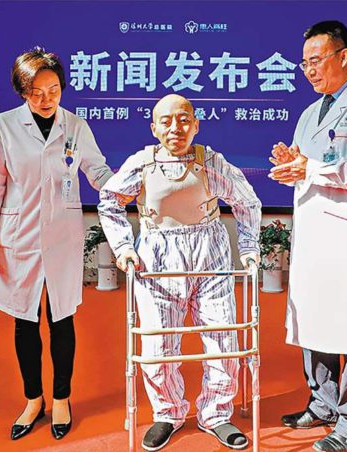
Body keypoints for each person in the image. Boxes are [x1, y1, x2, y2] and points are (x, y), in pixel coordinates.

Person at [98, 94, 261, 451]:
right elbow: (109, 201)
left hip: (210, 253)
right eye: (167, 121)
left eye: (184, 119)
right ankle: (168, 413)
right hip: (157, 258)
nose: (176, 128)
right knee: (158, 343)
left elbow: (246, 201)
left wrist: (249, 248)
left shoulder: (210, 162)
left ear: (196, 125)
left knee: (222, 337)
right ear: (154, 128)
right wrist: (124, 247)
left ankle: (216, 414)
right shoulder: (142, 163)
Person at [0, 47, 113, 440]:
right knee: (25, 319)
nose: (46, 99)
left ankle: (62, 398)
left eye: (53, 90)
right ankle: (33, 400)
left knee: (61, 317)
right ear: (23, 92)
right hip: (17, 236)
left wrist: (128, 186)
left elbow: (98, 171)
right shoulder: (3, 127)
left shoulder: (76, 126)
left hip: (62, 237)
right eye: (36, 92)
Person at [269, 21, 347, 452]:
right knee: (315, 321)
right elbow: (308, 166)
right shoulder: (309, 113)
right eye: (304, 63)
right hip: (313, 234)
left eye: (316, 60)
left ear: (343, 56)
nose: (309, 70)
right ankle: (322, 403)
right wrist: (291, 164)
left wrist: (313, 168)